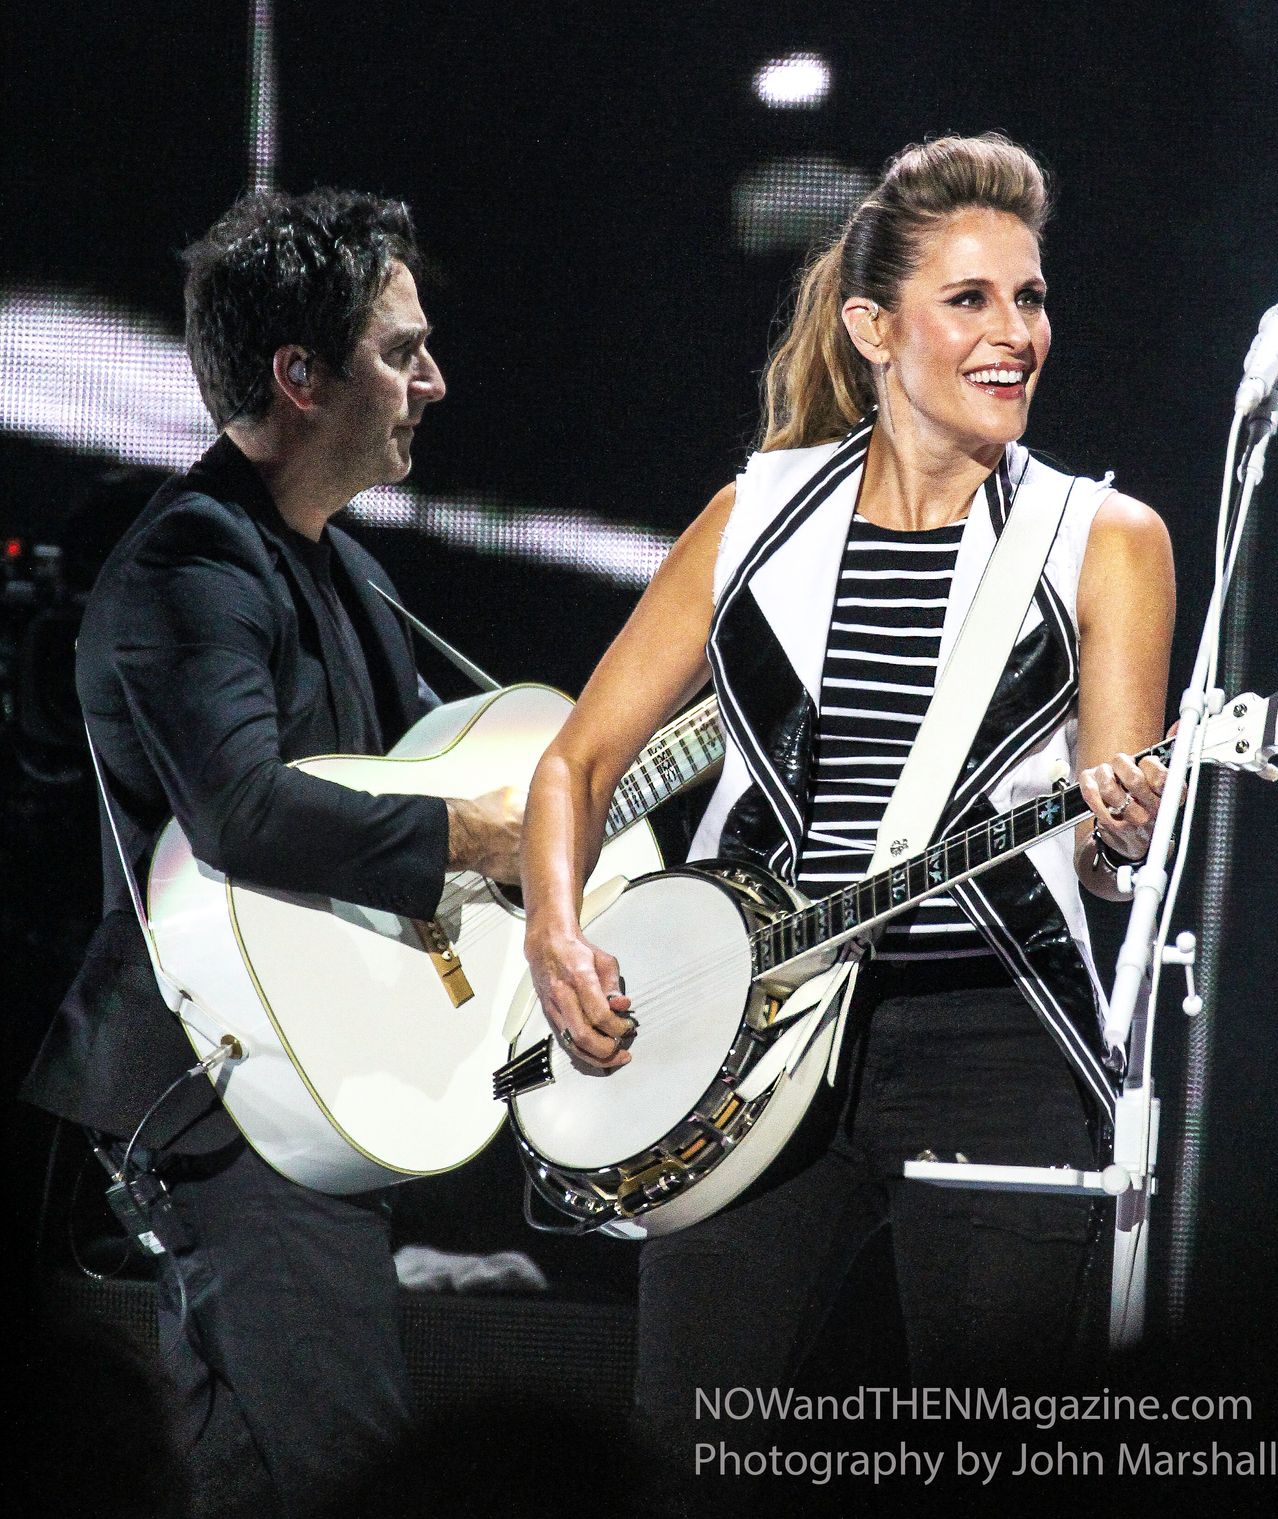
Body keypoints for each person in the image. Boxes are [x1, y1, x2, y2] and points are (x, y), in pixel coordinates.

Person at [520, 135, 1174, 1461]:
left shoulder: (1106, 540)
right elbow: (573, 764)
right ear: (875, 330)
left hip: (998, 1037)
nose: (1015, 335)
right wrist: (554, 933)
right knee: (686, 1458)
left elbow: (1112, 861)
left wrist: (1122, 834)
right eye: (970, 299)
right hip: (749, 1038)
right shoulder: (755, 517)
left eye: (1031, 298)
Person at [21, 188, 522, 1517]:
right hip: (231, 1103)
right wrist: (479, 835)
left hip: (298, 1094)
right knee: (358, 1477)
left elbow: (435, 764)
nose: (434, 382)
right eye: (401, 351)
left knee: (239, 1484)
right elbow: (240, 810)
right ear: (299, 376)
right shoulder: (192, 562)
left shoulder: (347, 571)